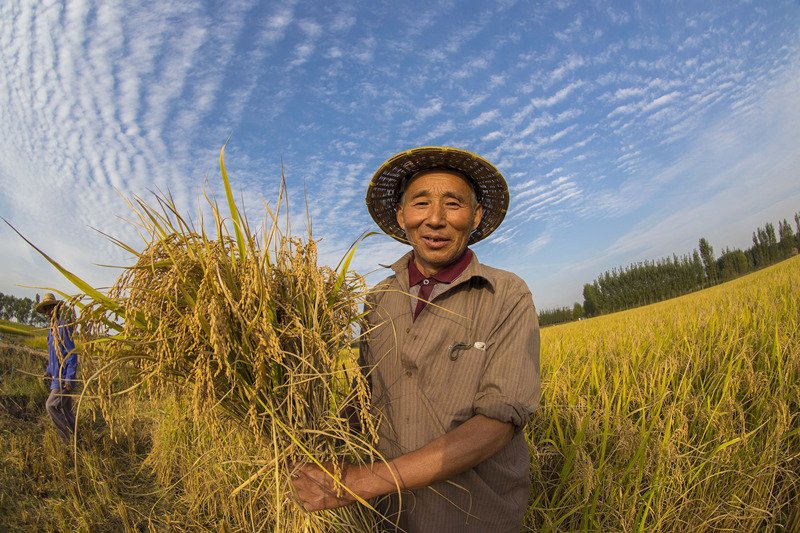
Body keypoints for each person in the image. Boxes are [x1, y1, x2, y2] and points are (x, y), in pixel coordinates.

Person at [292, 146, 541, 532]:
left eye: (453, 204)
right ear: (401, 216)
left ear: (474, 216)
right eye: (420, 203)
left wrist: (362, 481)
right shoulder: (378, 298)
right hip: (387, 515)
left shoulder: (505, 294)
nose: (436, 219)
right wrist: (310, 439)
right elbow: (367, 392)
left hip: (473, 516)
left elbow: (498, 422)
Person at [36, 292, 79, 446]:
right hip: (55, 378)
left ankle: (68, 441)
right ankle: (78, 443)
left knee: (51, 406)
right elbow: (53, 357)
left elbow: (71, 354)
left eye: (51, 308)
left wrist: (69, 377)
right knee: (66, 412)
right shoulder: (50, 333)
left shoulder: (63, 329)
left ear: (57, 309)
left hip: (63, 379)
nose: (48, 312)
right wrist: (48, 371)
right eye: (46, 309)